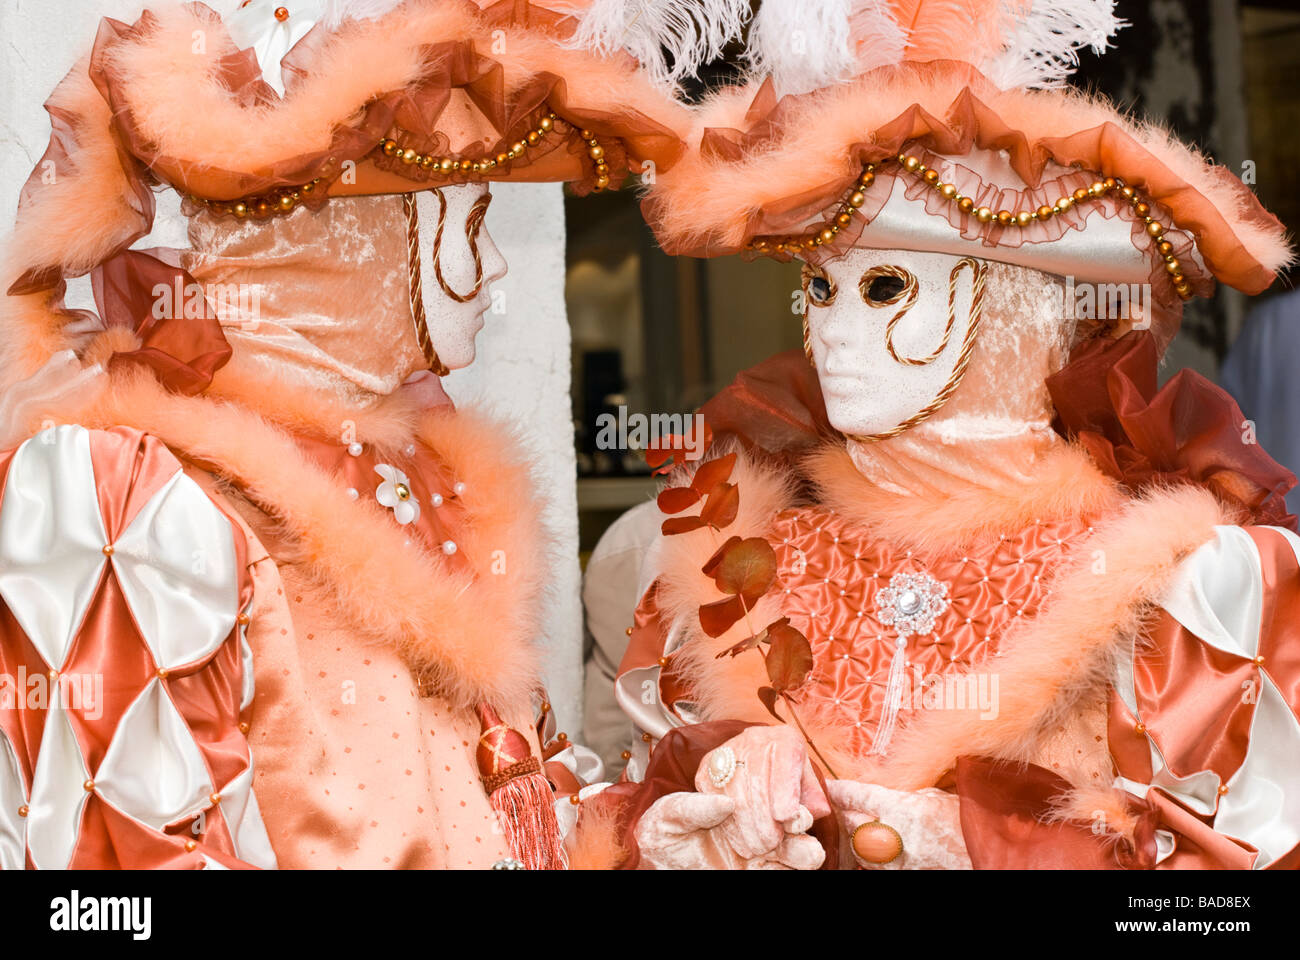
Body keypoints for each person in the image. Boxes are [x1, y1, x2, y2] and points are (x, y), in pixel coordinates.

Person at [568, 0, 1299, 870]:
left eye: (882, 288)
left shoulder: (1186, 587)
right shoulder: (729, 562)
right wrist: (689, 822)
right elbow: (619, 807)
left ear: (1018, 314)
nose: (829, 332)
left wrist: (987, 845)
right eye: (820, 290)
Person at [0, 0, 689, 869]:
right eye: (468, 223)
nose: (498, 266)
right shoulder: (132, 491)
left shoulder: (437, 479)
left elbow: (517, 802)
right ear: (337, 238)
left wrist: (648, 836)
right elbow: (120, 866)